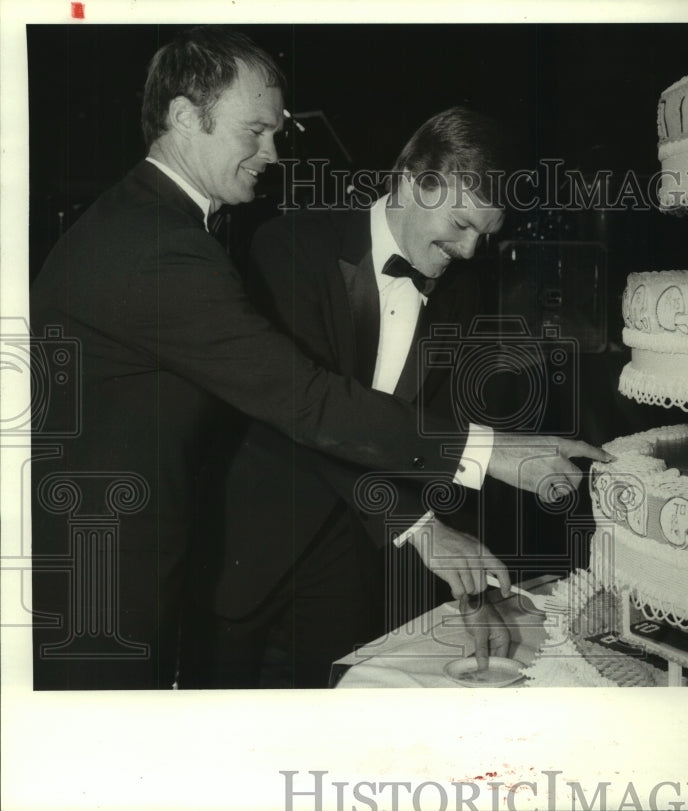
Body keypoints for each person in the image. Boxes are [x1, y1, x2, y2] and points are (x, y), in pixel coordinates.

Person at [29, 27, 609, 690]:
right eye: (256, 130)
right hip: (122, 563)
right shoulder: (176, 246)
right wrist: (493, 452)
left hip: (331, 566)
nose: (273, 152)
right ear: (186, 117)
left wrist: (468, 578)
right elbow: (304, 399)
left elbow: (406, 434)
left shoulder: (172, 229)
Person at [183, 107, 568, 688]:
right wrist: (421, 528)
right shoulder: (290, 246)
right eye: (461, 224)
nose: (468, 251)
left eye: (483, 237)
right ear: (413, 180)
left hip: (353, 567)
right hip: (246, 556)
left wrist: (469, 589)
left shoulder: (461, 291)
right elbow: (306, 414)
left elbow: (433, 436)